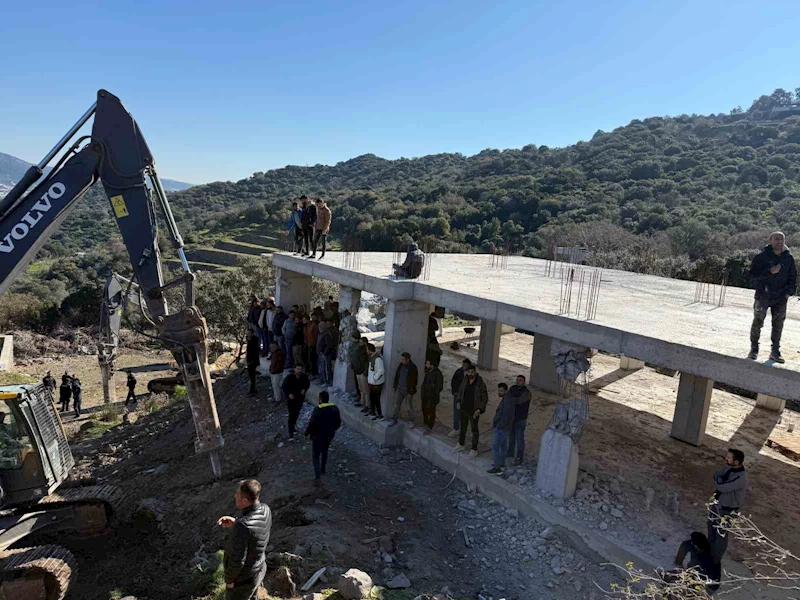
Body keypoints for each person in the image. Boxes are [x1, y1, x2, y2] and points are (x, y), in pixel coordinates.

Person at [217, 479, 271, 600]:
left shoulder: (243, 527)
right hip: (258, 570)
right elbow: (255, 532)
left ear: (245, 500)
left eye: (237, 494)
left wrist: (229, 581)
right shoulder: (265, 509)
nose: (234, 496)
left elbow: (237, 559)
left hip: (243, 582)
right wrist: (236, 522)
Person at [748, 231, 797, 363]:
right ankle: (754, 349)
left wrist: (789, 293)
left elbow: (793, 277)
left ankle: (775, 351)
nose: (779, 242)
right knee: (758, 322)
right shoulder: (761, 258)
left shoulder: (788, 258)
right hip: (763, 295)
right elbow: (752, 277)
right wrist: (769, 272)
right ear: (770, 241)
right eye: (776, 239)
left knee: (778, 325)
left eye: (782, 239)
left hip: (780, 297)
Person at [707, 448, 747, 563]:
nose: (726, 459)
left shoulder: (741, 478)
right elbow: (716, 475)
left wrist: (719, 480)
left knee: (721, 535)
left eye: (729, 458)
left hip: (727, 510)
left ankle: (715, 560)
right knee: (711, 527)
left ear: (737, 462)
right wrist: (719, 480)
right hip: (717, 504)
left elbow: (722, 486)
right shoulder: (728, 468)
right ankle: (708, 553)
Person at [305, 391, 341, 485]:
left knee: (315, 456)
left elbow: (312, 423)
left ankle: (317, 477)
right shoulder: (335, 408)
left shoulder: (318, 410)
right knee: (325, 451)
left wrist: (307, 433)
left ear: (320, 399)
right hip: (329, 435)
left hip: (317, 436)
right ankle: (323, 469)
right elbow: (338, 423)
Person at [453, 365, 488, 458]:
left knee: (474, 430)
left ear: (475, 372)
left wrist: (479, 409)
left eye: (472, 372)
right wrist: (458, 401)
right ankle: (461, 444)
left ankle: (474, 449)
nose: (470, 374)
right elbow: (460, 391)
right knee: (463, 427)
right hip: (464, 408)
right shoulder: (465, 380)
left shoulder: (480, 383)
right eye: (469, 372)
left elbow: (484, 398)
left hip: (474, 410)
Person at [488, 383, 516, 474]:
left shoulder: (508, 401)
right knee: (503, 446)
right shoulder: (508, 399)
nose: (499, 392)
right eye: (498, 390)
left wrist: (498, 426)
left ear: (506, 391)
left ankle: (497, 467)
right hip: (505, 427)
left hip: (502, 428)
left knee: (495, 445)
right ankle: (501, 464)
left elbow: (506, 416)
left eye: (501, 391)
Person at [506, 375, 532, 465]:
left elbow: (519, 401)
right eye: (517, 380)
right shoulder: (513, 388)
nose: (518, 382)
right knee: (511, 436)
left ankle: (519, 457)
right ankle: (510, 452)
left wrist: (511, 399)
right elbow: (507, 398)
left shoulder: (527, 393)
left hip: (521, 418)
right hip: (512, 417)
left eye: (520, 380)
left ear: (524, 382)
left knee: (519, 438)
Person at [390, 352, 418, 427]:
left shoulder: (413, 368)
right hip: (399, 389)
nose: (401, 360)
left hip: (408, 391)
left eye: (403, 359)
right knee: (396, 405)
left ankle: (411, 421)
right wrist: (395, 386)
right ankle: (394, 419)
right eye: (401, 359)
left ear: (408, 359)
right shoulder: (401, 365)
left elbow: (414, 381)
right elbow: (397, 376)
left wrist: (411, 392)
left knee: (409, 407)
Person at [282, 365, 310, 439]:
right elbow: (284, 386)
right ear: (294, 369)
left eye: (300, 369)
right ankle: (290, 432)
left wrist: (304, 389)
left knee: (297, 413)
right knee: (291, 414)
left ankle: (293, 427)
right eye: (297, 369)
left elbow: (307, 384)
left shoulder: (304, 377)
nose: (299, 371)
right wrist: (289, 394)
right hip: (291, 399)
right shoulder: (289, 378)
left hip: (300, 398)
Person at [448, 359, 472, 438]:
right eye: (462, 365)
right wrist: (454, 391)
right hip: (458, 396)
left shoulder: (472, 374)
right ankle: (456, 428)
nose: (463, 366)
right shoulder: (458, 372)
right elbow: (453, 382)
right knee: (456, 412)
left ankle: (464, 429)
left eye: (465, 365)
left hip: (467, 397)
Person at [420, 359, 443, 432]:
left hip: (432, 396)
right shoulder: (428, 371)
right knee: (424, 410)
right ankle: (426, 424)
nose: (426, 365)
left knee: (431, 411)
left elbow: (440, 386)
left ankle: (430, 426)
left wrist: (433, 390)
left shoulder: (438, 373)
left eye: (427, 364)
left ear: (432, 365)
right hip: (425, 395)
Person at [349, 334, 369, 409]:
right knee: (361, 388)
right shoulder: (359, 349)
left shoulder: (365, 350)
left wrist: (365, 372)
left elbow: (367, 362)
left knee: (365, 389)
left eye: (361, 342)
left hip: (363, 372)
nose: (360, 344)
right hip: (357, 370)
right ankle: (362, 401)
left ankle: (367, 404)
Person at [367, 343, 385, 420]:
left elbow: (381, 371)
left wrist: (374, 378)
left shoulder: (377, 359)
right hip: (372, 383)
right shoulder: (372, 357)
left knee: (376, 400)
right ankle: (373, 412)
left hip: (376, 384)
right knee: (372, 399)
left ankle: (379, 415)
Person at [245, 328, 260, 395]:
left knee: (252, 376)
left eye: (249, 333)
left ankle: (252, 390)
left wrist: (251, 361)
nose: (247, 334)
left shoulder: (254, 340)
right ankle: (252, 389)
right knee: (251, 376)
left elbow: (253, 352)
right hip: (250, 360)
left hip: (252, 361)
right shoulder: (249, 340)